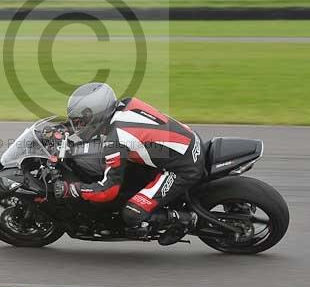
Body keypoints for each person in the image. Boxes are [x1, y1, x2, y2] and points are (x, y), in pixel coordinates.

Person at [53, 82, 205, 245]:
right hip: (185, 143)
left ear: (97, 116)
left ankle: (186, 219)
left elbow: (108, 190)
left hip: (183, 167)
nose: (79, 126)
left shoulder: (116, 141)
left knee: (132, 213)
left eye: (81, 122)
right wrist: (63, 129)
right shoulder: (124, 104)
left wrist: (74, 189)